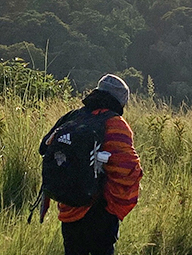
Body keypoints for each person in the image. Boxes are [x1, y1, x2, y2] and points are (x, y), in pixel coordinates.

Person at [44, 74, 143, 255]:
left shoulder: (73, 116)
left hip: (69, 206)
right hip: (101, 211)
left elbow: (44, 147)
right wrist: (115, 206)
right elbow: (128, 169)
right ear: (121, 102)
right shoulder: (116, 124)